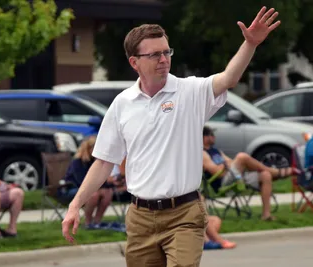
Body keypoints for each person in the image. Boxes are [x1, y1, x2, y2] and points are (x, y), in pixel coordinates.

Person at [62, 6, 282, 267]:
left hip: (184, 214)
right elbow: (103, 162)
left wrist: (250, 45)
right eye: (155, 54)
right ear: (134, 62)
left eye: (167, 52)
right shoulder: (122, 104)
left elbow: (228, 79)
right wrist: (75, 205)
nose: (164, 59)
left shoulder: (190, 91)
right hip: (140, 217)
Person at [202, 126, 300, 221]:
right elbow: (216, 171)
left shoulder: (216, 151)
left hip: (236, 177)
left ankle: (266, 215)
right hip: (223, 182)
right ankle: (276, 172)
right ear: (205, 137)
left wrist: (227, 164)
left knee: (265, 175)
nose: (214, 137)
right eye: (212, 134)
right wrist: (226, 164)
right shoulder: (203, 153)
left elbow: (230, 162)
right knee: (242, 156)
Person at [62, 136, 119, 228]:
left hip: (92, 189)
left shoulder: (97, 162)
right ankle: (88, 222)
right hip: (71, 188)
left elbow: (100, 180)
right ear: (89, 148)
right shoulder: (77, 162)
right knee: (94, 194)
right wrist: (103, 184)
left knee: (108, 192)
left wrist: (111, 183)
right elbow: (81, 181)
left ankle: (97, 221)